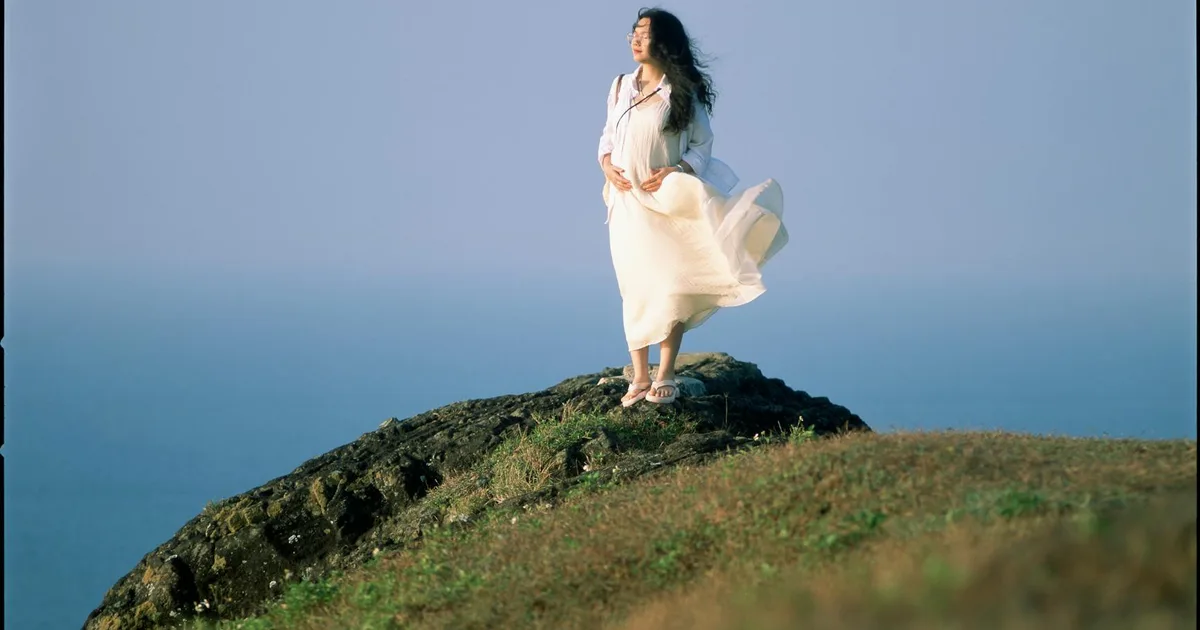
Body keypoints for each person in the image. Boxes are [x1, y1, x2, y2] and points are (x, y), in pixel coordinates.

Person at [598, 7, 788, 407]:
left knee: (671, 282)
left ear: (663, 42)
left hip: (666, 200)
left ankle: (664, 373)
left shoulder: (683, 91)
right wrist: (605, 164)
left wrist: (676, 169)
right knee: (633, 285)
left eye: (644, 33)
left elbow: (702, 145)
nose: (635, 39)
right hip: (625, 201)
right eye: (633, 32)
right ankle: (639, 375)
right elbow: (607, 138)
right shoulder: (619, 87)